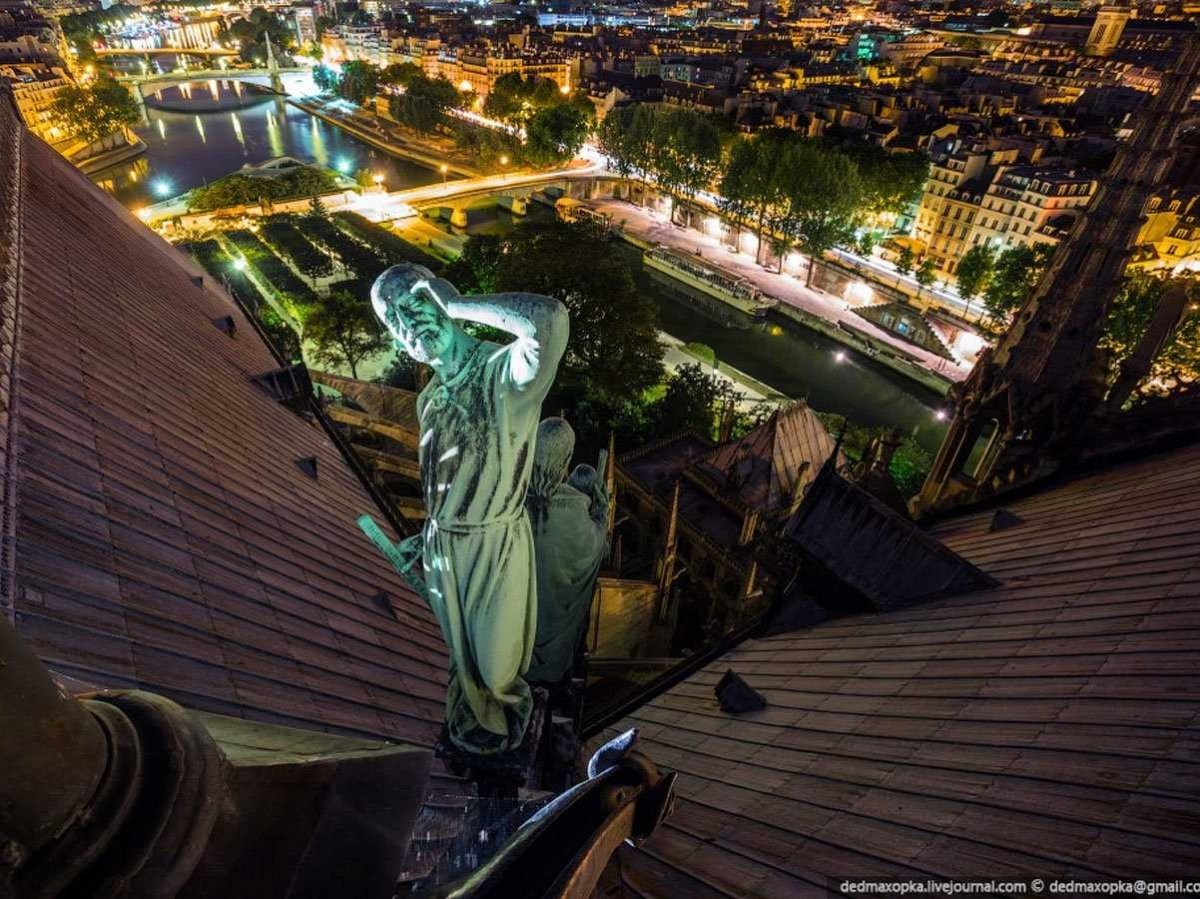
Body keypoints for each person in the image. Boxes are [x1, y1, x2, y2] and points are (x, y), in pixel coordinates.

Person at [367, 263, 568, 755]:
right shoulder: (430, 401)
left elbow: (550, 319)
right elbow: (441, 482)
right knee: (465, 667)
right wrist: (426, 534)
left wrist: (455, 303)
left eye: (413, 306)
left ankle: (506, 731)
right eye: (394, 320)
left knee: (497, 670)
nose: (408, 325)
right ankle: (477, 734)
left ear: (437, 299)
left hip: (495, 543)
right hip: (445, 550)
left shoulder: (502, 374)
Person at [524, 419, 610, 686]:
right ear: (567, 458)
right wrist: (601, 514)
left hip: (506, 647)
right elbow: (600, 551)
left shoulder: (509, 502)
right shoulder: (580, 516)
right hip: (554, 658)